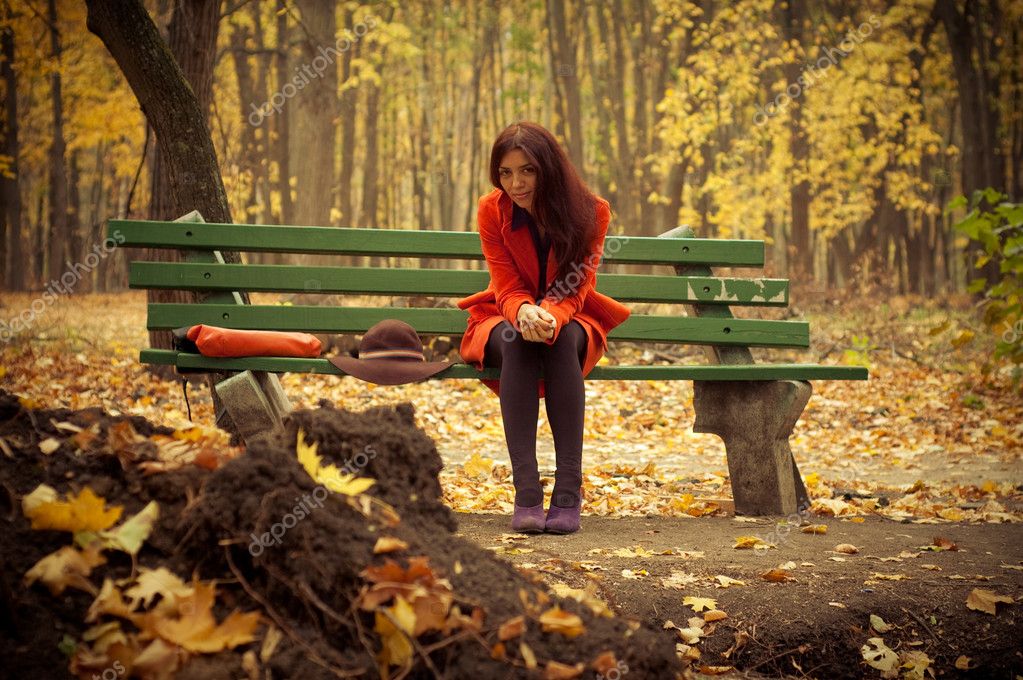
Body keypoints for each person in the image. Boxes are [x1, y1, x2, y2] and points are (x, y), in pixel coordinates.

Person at [456, 122, 631, 534]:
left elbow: (581, 280)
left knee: (560, 340)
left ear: (548, 168)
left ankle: (569, 491)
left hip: (571, 314)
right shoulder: (490, 210)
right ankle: (527, 492)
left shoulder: (592, 211)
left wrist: (551, 314)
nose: (515, 183)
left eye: (527, 170)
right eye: (506, 173)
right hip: (504, 315)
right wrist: (523, 313)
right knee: (517, 342)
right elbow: (504, 281)